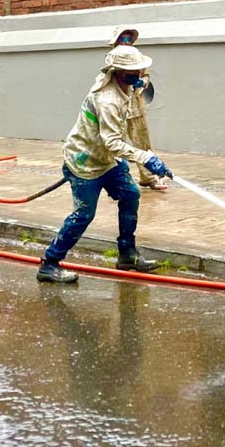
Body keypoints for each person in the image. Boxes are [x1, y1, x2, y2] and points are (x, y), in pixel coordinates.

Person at [38, 45, 176, 284]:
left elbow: (112, 145)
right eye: (136, 71)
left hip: (108, 160)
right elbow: (112, 142)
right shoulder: (107, 99)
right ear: (120, 72)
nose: (141, 74)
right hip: (85, 163)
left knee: (131, 194)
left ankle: (127, 256)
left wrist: (139, 85)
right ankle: (49, 264)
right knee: (84, 215)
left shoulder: (122, 85)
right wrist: (145, 157)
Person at [108, 26, 168, 191]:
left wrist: (142, 82)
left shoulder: (138, 55)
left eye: (128, 38)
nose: (126, 41)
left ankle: (148, 177)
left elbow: (145, 75)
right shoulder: (112, 58)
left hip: (135, 107)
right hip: (117, 107)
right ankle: (114, 179)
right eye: (123, 38)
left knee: (142, 142)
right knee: (114, 143)